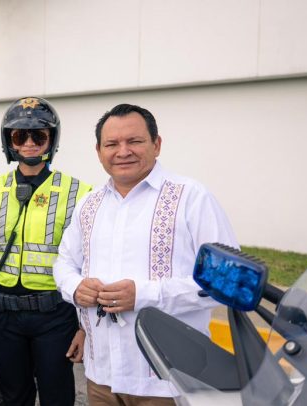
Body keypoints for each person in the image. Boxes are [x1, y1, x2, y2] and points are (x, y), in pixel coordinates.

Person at [53, 104, 238, 405]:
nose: (123, 151)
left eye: (135, 141)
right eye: (112, 144)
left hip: (168, 381)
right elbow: (64, 262)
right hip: (101, 377)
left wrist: (143, 295)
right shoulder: (89, 204)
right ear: (99, 151)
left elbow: (226, 279)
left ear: (157, 144)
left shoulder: (192, 197)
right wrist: (75, 287)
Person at [0, 97, 92, 406]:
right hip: (3, 316)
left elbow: (90, 264)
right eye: (20, 136)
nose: (29, 143)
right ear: (9, 142)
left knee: (57, 397)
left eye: (38, 136)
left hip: (56, 316)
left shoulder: (79, 193)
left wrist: (85, 328)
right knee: (13, 397)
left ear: (51, 140)